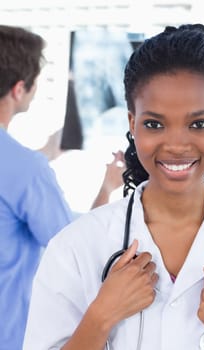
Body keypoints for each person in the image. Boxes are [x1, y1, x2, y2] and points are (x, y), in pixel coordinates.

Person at [23, 23, 204, 350]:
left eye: (199, 124)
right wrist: (101, 317)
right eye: (154, 124)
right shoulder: (76, 247)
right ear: (132, 124)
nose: (177, 144)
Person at [0, 25, 125, 350]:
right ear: (18, 89)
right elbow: (74, 249)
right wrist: (107, 188)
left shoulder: (22, 168)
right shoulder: (25, 170)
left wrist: (45, 152)